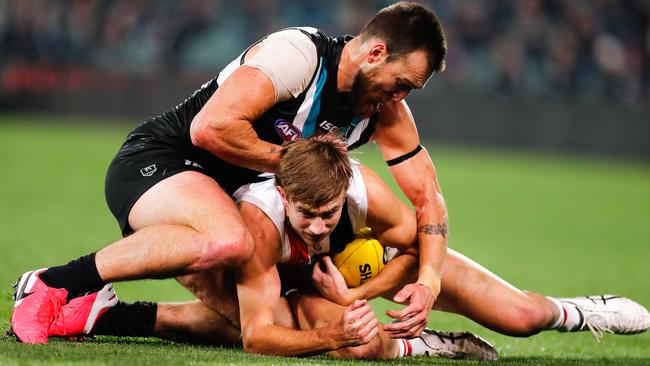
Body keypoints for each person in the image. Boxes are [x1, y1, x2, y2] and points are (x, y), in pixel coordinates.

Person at [11, 1, 449, 344]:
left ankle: (101, 316)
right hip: (161, 162)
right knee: (230, 242)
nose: (403, 95)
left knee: (273, 326)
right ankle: (53, 282)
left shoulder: (384, 111)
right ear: (376, 53)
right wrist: (299, 165)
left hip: (218, 200)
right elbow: (209, 129)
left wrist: (428, 281)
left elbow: (427, 196)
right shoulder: (301, 55)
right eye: (404, 82)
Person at [49, 136, 648, 361]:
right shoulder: (258, 226)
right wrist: (336, 328)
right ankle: (427, 349)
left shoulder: (367, 195)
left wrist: (373, 289)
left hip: (370, 273)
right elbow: (258, 333)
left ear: (344, 193)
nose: (314, 227)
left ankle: (581, 311)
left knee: (520, 316)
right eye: (304, 214)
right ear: (283, 193)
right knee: (353, 345)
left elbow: (418, 252)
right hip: (300, 291)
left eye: (327, 214)